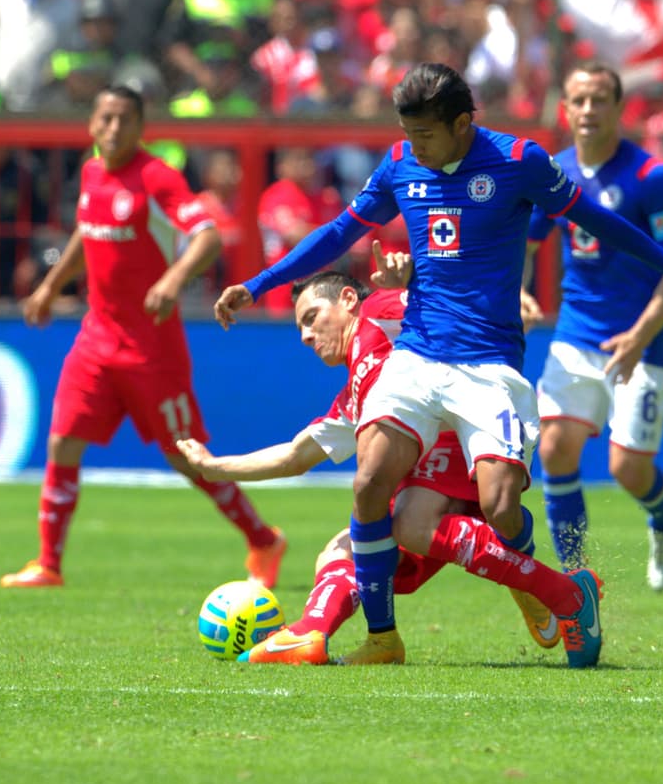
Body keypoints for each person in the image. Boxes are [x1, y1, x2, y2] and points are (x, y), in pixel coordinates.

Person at [214, 63, 663, 666]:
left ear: (462, 124)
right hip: (418, 357)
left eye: (427, 135)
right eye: (409, 133)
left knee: (502, 508)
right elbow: (337, 232)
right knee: (371, 483)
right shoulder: (401, 164)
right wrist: (260, 282)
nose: (416, 147)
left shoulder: (520, 161)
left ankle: (548, 591)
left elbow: (601, 223)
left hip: (489, 366)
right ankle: (383, 639)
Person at [180, 267, 597, 666]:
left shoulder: (379, 310)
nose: (307, 336)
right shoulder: (354, 398)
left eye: (312, 318)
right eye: (300, 329)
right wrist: (215, 468)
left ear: (347, 300)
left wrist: (410, 279)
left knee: (408, 521)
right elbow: (294, 456)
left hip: (463, 435)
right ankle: (318, 634)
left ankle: (556, 591)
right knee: (339, 552)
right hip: (424, 485)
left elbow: (441, 302)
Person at [0, 85, 286, 589]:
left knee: (185, 458)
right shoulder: (92, 174)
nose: (113, 129)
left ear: (140, 127)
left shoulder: (156, 177)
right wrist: (49, 287)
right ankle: (48, 563)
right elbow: (86, 234)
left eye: (124, 120)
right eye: (105, 119)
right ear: (91, 123)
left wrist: (174, 279)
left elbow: (208, 236)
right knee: (63, 442)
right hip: (96, 340)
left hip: (152, 350)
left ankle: (263, 538)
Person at [521, 62, 663, 589]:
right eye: (578, 100)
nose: (588, 111)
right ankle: (576, 577)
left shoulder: (651, 178)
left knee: (628, 469)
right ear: (565, 109)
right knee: (553, 448)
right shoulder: (554, 174)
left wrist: (640, 336)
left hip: (643, 341)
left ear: (620, 109)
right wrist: (520, 289)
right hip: (577, 334)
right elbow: (523, 246)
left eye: (599, 100)